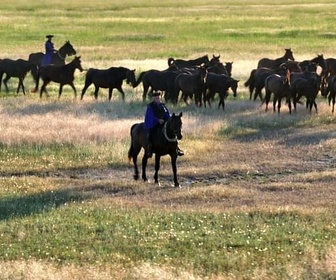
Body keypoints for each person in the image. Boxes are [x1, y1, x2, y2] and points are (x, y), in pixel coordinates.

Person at [144, 91, 184, 158]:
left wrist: (170, 119)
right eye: (156, 98)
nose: (158, 99)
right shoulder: (150, 107)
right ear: (154, 99)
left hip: (163, 122)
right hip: (154, 124)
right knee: (151, 134)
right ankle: (150, 149)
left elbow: (167, 114)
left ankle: (176, 148)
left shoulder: (163, 106)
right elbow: (150, 116)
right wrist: (158, 120)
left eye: (159, 98)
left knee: (172, 132)